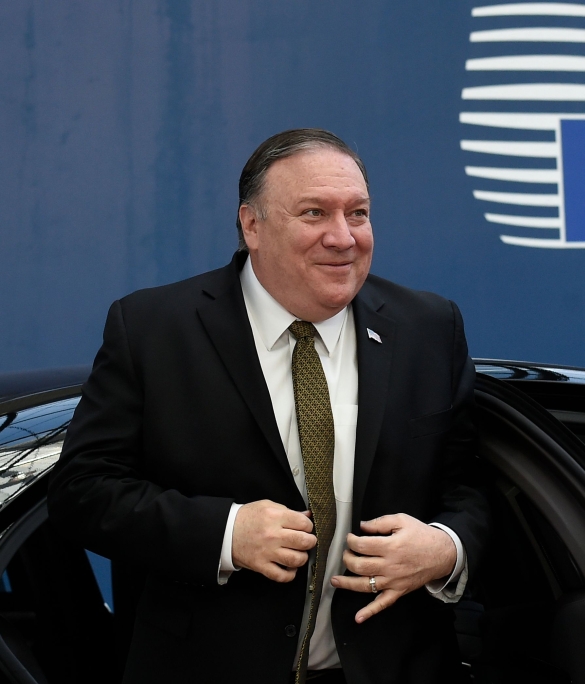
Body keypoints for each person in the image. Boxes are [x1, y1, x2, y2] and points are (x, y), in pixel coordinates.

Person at [48, 128, 489, 684]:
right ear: (252, 225)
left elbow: (469, 487)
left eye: (357, 213)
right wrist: (226, 534)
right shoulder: (155, 329)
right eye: (313, 213)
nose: (342, 237)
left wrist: (443, 549)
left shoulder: (428, 328)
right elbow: (82, 491)